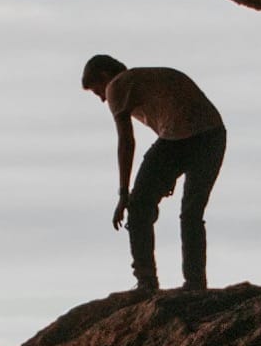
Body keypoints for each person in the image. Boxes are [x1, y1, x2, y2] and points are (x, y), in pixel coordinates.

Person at [81, 54, 227, 292]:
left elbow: (126, 142)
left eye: (98, 91)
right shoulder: (145, 77)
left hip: (182, 138)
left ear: (105, 77)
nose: (101, 99)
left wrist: (123, 193)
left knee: (138, 207)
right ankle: (195, 283)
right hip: (213, 135)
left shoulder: (117, 85)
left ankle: (146, 281)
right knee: (192, 213)